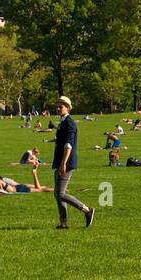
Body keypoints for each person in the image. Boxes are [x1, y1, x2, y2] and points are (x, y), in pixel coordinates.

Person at [52, 96, 93, 229]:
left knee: (60, 194)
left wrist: (64, 163)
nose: (58, 108)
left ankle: (87, 210)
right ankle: (63, 223)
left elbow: (68, 145)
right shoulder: (63, 122)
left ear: (68, 108)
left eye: (61, 106)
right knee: (58, 194)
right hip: (60, 162)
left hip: (66, 163)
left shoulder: (69, 123)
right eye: (58, 105)